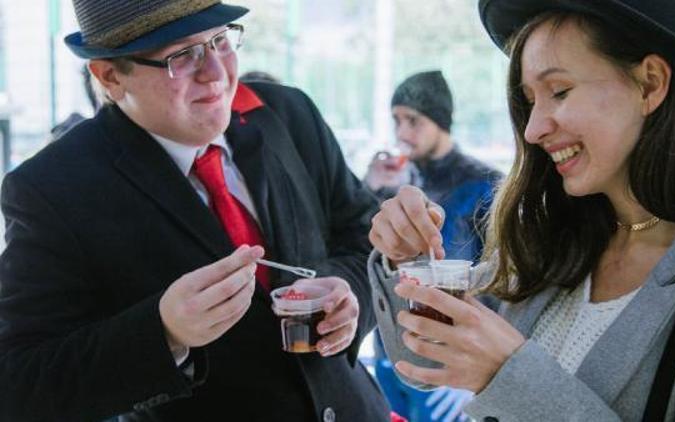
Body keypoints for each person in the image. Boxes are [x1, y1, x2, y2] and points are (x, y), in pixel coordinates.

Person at [0, 1, 389, 421]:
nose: (217, 74)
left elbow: (363, 236)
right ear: (109, 76)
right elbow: (20, 382)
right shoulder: (54, 188)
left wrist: (349, 297)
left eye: (220, 40)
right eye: (181, 56)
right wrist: (163, 332)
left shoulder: (286, 114)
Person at [368, 0, 675, 421]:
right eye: (530, 100)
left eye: (560, 91)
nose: (533, 129)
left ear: (650, 84)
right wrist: (407, 256)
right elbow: (426, 361)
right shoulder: (560, 236)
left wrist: (510, 376)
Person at [364, 70, 502, 422]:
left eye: (413, 120)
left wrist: (478, 373)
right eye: (396, 120)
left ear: (440, 121)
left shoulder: (485, 183)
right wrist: (372, 190)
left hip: (449, 361)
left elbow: (500, 284)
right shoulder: (397, 180)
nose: (401, 133)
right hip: (392, 350)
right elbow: (375, 259)